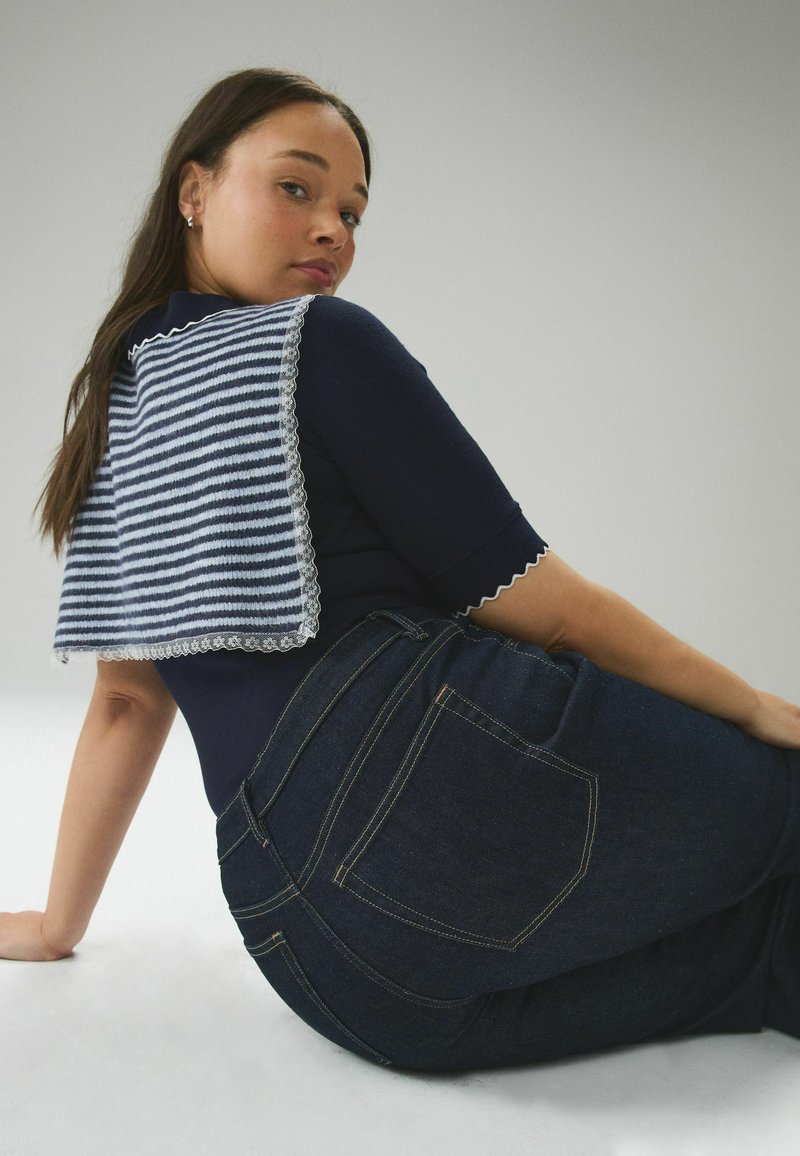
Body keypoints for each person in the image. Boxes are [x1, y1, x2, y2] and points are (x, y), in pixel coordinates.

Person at [2, 67, 799, 1073]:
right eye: (296, 187)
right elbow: (549, 610)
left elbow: (125, 701)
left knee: (758, 950)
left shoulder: (117, 414)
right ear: (193, 191)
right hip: (431, 772)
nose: (330, 229)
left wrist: (57, 923)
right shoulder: (318, 342)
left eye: (350, 211)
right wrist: (755, 710)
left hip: (318, 954)